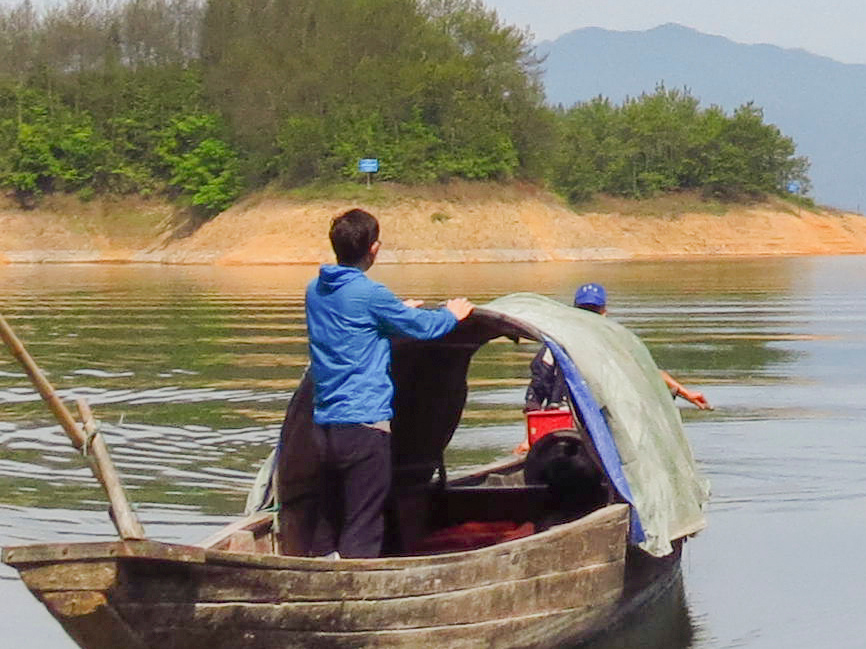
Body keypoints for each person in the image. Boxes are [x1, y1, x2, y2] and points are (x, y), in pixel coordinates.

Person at [283, 207, 475, 559]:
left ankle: (318, 572)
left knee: (330, 517)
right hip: (364, 426)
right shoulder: (370, 294)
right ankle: (355, 586)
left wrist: (395, 311)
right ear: (374, 249)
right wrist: (452, 314)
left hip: (324, 427)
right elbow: (425, 328)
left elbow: (353, 324)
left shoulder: (315, 290)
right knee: (364, 522)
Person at [521, 280, 710, 445]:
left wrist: (685, 393)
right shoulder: (555, 348)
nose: (589, 316)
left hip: (596, 424)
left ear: (603, 313)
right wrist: (530, 439)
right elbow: (535, 393)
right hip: (564, 423)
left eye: (593, 311)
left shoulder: (612, 345)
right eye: (585, 311)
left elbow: (646, 371)